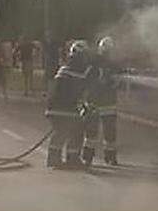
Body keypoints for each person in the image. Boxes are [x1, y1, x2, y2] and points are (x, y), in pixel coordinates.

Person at [46, 40, 90, 168]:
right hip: (67, 110)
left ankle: (53, 159)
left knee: (59, 133)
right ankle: (73, 159)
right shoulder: (80, 72)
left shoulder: (64, 69)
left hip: (53, 109)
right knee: (76, 132)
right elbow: (80, 92)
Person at [81, 36, 121, 166]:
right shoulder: (95, 63)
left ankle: (104, 157)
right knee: (94, 132)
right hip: (97, 102)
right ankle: (90, 157)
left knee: (106, 133)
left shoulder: (112, 64)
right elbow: (87, 80)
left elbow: (117, 81)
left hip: (103, 102)